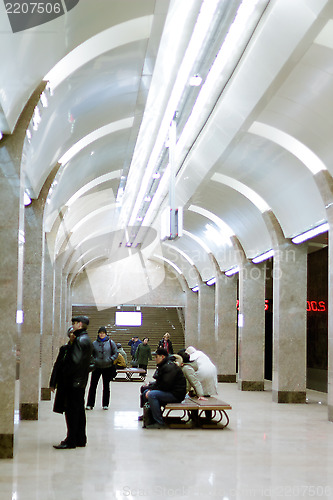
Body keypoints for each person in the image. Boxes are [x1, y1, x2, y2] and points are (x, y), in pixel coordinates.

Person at [52, 315, 93, 449]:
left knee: (72, 412)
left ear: (80, 324)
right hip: (80, 382)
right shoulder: (86, 339)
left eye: (75, 323)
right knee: (79, 411)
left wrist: (64, 376)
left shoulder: (79, 341)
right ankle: (80, 438)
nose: (73, 325)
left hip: (73, 383)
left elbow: (74, 362)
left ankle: (71, 440)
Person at [140, 347, 186, 429]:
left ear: (162, 357)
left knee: (151, 395)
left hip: (176, 395)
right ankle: (148, 417)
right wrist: (150, 386)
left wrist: (151, 389)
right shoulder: (164, 365)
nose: (155, 359)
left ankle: (159, 422)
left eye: (156, 357)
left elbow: (165, 385)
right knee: (145, 391)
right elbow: (161, 382)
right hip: (170, 391)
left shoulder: (169, 367)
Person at [86, 327, 118, 410]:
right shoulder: (94, 343)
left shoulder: (111, 343)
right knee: (93, 386)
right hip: (96, 367)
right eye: (100, 333)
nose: (101, 334)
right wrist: (94, 360)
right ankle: (90, 404)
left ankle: (105, 404)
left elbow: (116, 353)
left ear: (106, 334)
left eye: (103, 333)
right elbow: (90, 354)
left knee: (106, 386)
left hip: (107, 367)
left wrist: (110, 359)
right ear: (98, 334)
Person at [49, 326, 75, 415]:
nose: (73, 335)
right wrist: (53, 383)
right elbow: (57, 366)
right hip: (64, 381)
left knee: (75, 408)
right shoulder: (64, 349)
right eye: (71, 333)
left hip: (76, 382)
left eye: (75, 333)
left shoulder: (82, 349)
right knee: (66, 406)